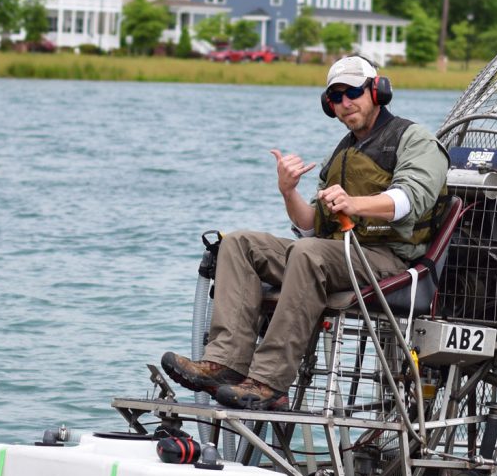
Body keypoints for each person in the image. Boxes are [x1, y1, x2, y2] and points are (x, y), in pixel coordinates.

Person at [162, 55, 450, 411]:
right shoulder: (342, 152)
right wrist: (289, 191)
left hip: (390, 261)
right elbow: (312, 226)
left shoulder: (413, 138)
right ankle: (225, 364)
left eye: (353, 93)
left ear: (377, 91)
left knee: (308, 253)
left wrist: (354, 204)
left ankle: (268, 381)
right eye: (336, 98)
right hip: (332, 254)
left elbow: (411, 198)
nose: (345, 103)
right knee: (238, 244)